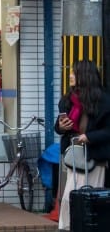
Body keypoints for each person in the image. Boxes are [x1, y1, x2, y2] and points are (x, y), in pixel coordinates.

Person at [55, 59, 110, 230]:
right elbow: (58, 127)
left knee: (90, 199)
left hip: (94, 158)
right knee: (68, 198)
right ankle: (69, 227)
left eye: (74, 72)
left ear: (84, 75)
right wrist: (61, 127)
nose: (70, 76)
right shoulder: (68, 100)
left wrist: (89, 136)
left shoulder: (103, 101)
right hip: (73, 157)